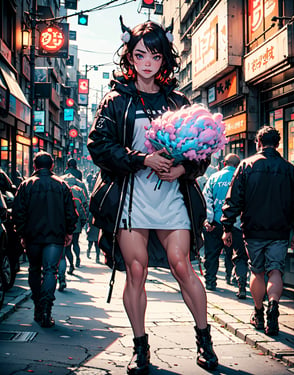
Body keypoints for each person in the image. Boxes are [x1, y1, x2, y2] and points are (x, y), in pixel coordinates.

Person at [87, 17, 218, 374]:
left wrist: (182, 170)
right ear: (129, 56)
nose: (148, 62)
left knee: (183, 265)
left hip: (172, 196)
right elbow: (99, 146)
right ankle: (140, 347)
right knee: (136, 269)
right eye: (141, 54)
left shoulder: (177, 100)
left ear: (164, 61)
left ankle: (204, 340)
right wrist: (142, 158)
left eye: (156, 56)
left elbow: (201, 151)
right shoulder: (116, 100)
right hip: (131, 197)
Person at [221, 126, 294, 336]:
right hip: (280, 230)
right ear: (278, 144)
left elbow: (234, 199)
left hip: (253, 229)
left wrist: (227, 227)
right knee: (275, 270)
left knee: (257, 271)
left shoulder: (246, 166)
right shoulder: (289, 169)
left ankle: (258, 313)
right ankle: (274, 304)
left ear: (258, 143)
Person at [12, 151, 78, 327]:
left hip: (32, 235)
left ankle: (37, 307)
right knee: (50, 271)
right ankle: (46, 309)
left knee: (34, 269)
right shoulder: (62, 185)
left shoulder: (26, 185)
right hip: (55, 236)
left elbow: (18, 213)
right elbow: (71, 212)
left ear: (34, 166)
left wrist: (22, 234)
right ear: (52, 166)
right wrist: (69, 232)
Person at [202, 153, 249, 299]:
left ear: (223, 163)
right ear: (238, 164)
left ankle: (210, 281)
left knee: (212, 253)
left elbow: (206, 199)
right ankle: (237, 280)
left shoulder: (214, 178)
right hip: (236, 224)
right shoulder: (241, 178)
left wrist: (208, 220)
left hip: (215, 223)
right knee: (237, 254)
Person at [58, 183, 88, 288]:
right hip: (76, 226)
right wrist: (83, 222)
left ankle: (67, 269)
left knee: (65, 251)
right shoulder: (77, 196)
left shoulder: (59, 196)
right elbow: (82, 211)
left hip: (62, 227)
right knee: (75, 244)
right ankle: (76, 260)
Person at [61, 174, 89, 270]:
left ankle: (71, 265)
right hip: (76, 222)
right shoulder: (79, 190)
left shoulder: (62, 189)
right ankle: (77, 258)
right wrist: (83, 222)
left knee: (67, 247)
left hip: (65, 223)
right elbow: (84, 207)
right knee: (75, 243)